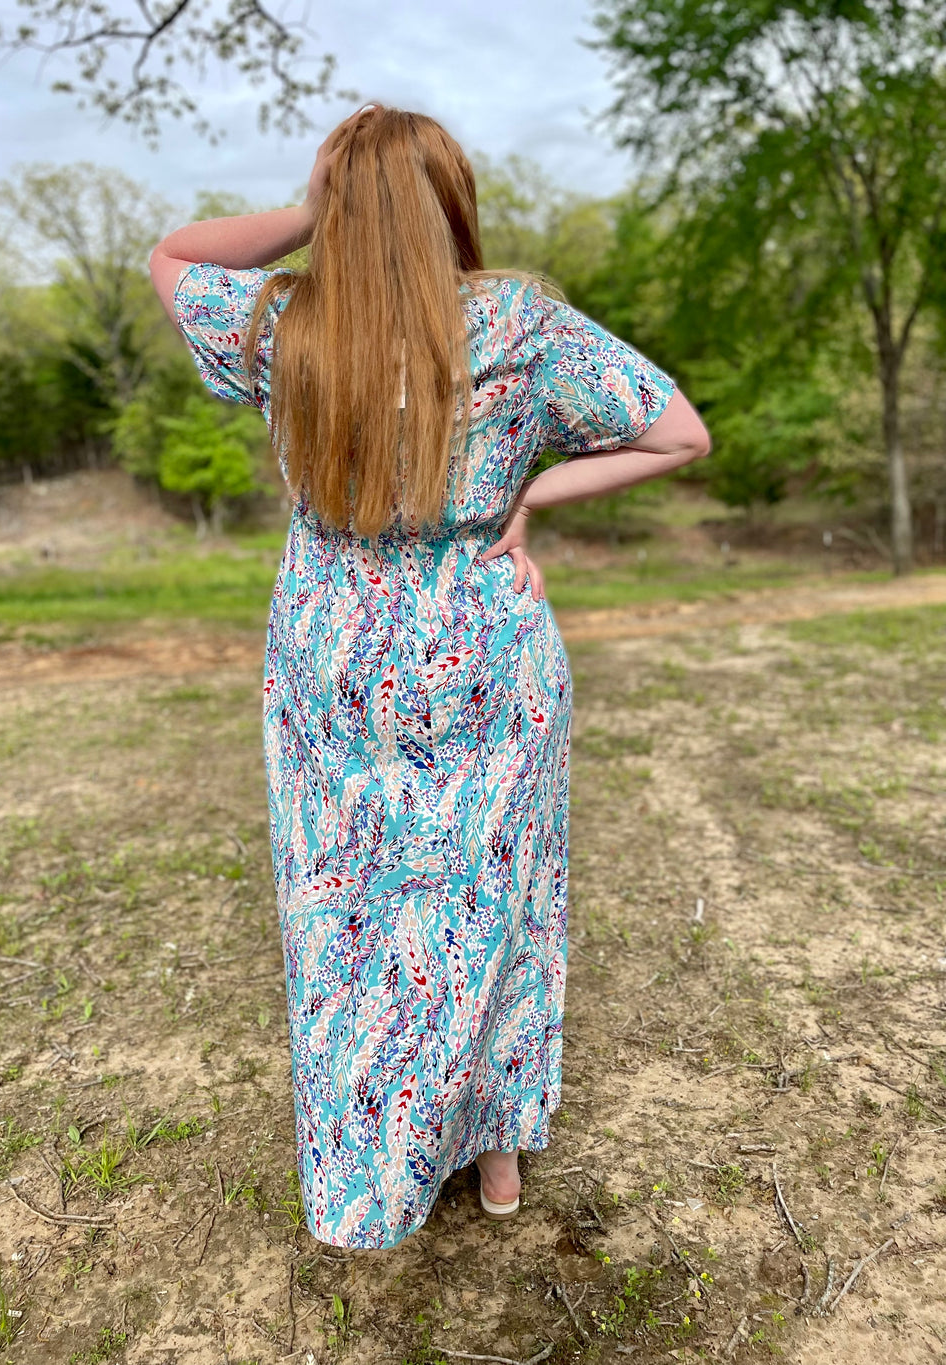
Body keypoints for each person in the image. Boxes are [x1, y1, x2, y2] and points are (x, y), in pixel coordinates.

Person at [149, 104, 710, 1251]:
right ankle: (493, 1153)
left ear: (336, 206)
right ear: (449, 202)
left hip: (334, 664)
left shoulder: (282, 324)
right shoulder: (522, 323)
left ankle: (372, 1175)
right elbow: (679, 435)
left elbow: (172, 256)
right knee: (492, 901)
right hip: (484, 648)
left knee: (348, 920)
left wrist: (312, 210)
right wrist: (530, 493)